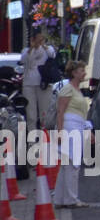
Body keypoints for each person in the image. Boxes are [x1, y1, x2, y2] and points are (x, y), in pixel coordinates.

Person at [51, 60, 92, 209]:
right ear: (74, 73)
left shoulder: (76, 89)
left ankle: (61, 199)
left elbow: (81, 113)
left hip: (76, 126)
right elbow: (60, 112)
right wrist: (60, 132)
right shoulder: (68, 89)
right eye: (82, 71)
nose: (84, 73)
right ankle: (71, 199)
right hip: (69, 127)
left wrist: (87, 129)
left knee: (67, 165)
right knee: (73, 164)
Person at [19, 32, 56, 130]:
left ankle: (44, 137)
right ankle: (32, 139)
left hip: (43, 83)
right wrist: (32, 47)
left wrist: (42, 45)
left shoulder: (48, 49)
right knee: (31, 114)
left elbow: (52, 55)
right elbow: (23, 60)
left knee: (44, 113)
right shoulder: (26, 50)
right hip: (29, 84)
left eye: (41, 38)